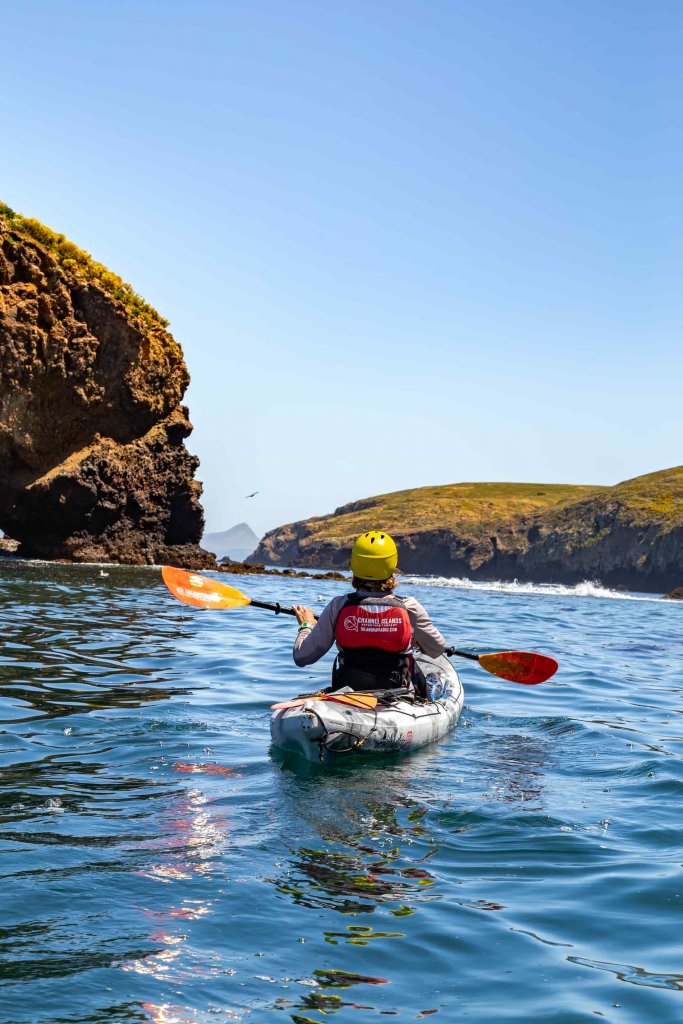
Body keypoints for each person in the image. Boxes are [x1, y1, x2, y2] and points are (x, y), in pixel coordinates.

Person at [291, 530, 449, 696]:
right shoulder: (409, 607)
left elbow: (302, 657)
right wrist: (417, 641)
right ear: (392, 565)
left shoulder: (338, 606)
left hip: (349, 694)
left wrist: (306, 626)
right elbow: (437, 650)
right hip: (398, 696)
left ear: (354, 564)